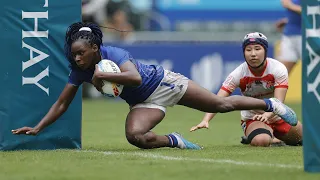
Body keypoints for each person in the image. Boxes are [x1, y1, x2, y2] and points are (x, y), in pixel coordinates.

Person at [12, 23, 298, 150]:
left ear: (95, 48)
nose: (76, 58)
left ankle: (271, 104)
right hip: (142, 102)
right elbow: (62, 102)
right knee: (135, 136)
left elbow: (135, 78)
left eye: (80, 54)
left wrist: (101, 78)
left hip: (165, 82)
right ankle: (175, 141)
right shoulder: (80, 69)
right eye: (73, 54)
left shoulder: (114, 55)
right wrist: (39, 127)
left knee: (220, 105)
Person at [190, 32, 303, 147]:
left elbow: (279, 102)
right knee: (261, 141)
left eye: (257, 49)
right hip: (253, 118)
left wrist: (267, 115)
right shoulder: (237, 74)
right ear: (244, 53)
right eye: (248, 50)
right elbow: (218, 100)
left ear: (265, 51)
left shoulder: (278, 69)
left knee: (303, 141)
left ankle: (272, 138)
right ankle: (259, 134)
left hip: (277, 115)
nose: (253, 54)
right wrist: (206, 120)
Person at [276, 0, 301, 74]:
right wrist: (288, 20)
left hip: (308, 38)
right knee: (280, 75)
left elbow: (314, 12)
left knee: (313, 75)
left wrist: (290, 5)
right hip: (289, 35)